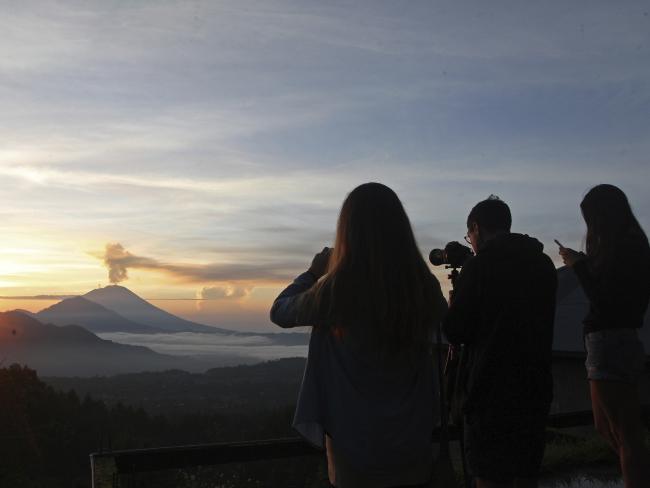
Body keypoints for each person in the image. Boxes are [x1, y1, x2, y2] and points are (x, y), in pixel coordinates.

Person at [270, 182, 448, 488]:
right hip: (412, 445)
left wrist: (314, 273)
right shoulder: (423, 288)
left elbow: (280, 311)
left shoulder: (337, 290)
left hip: (353, 453)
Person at [442, 196, 557, 488]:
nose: (471, 242)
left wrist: (454, 304)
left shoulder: (480, 267)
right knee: (526, 473)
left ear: (477, 228)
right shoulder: (542, 264)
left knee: (490, 475)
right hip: (535, 386)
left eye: (470, 236)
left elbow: (456, 330)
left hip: (490, 389)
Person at [558, 184, 650, 488]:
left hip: (610, 341)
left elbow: (603, 298)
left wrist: (578, 265)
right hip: (609, 341)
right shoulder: (632, 245)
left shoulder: (627, 248)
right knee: (608, 427)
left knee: (625, 433)